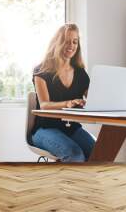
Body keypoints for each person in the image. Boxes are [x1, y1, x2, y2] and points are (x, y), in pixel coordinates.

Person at [31, 23, 95, 162]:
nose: (71, 45)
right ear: (57, 43)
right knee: (75, 155)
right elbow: (44, 105)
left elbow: (94, 100)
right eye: (66, 41)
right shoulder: (41, 70)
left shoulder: (80, 72)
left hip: (72, 129)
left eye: (74, 41)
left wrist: (89, 102)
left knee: (100, 152)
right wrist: (69, 103)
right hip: (45, 129)